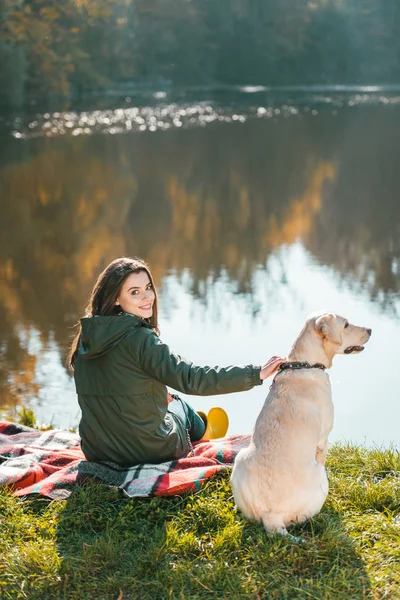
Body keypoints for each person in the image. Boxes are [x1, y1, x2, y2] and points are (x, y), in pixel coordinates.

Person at [69, 257, 285, 467]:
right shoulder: (141, 339)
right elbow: (191, 378)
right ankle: (204, 432)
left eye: (148, 288)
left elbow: (112, 385)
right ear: (115, 298)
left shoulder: (85, 340)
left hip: (97, 451)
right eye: (135, 292)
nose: (147, 297)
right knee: (180, 405)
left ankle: (196, 424)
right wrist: (255, 374)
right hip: (149, 451)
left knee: (166, 397)